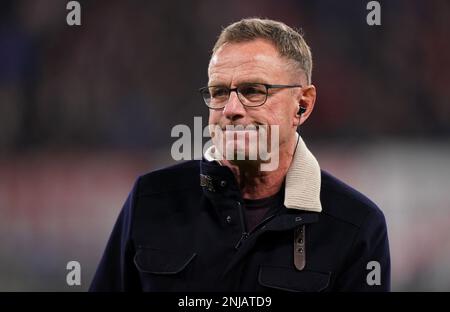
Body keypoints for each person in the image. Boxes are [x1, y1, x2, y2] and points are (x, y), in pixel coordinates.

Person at [90, 18, 390, 292]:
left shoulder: (356, 227)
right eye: (219, 92)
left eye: (253, 91)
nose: (231, 109)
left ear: (302, 105)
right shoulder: (151, 200)